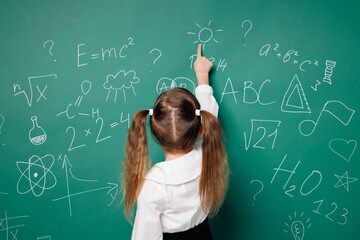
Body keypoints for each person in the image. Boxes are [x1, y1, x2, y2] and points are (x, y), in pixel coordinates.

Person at [121, 44, 229, 240]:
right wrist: (202, 76)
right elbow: (209, 114)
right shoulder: (206, 154)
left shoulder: (154, 182)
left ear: (154, 133)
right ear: (201, 129)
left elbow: (145, 236)